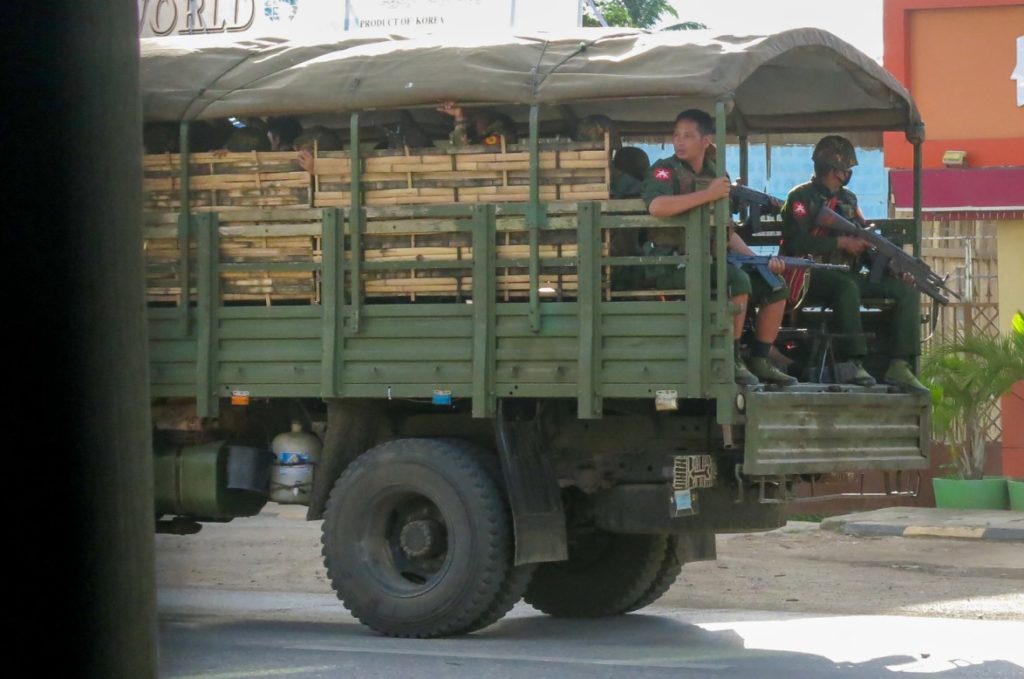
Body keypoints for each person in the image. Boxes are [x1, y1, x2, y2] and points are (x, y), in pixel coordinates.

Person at [642, 109, 795, 386]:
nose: (679, 141)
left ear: (706, 140)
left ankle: (760, 359)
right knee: (735, 280)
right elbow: (657, 206)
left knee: (775, 285)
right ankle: (731, 359)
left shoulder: (716, 172)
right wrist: (707, 195)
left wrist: (760, 261)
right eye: (676, 135)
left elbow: (726, 229)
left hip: (710, 259)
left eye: (688, 136)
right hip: (671, 262)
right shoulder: (664, 169)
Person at [779, 135, 926, 393]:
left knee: (905, 291)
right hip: (810, 276)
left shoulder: (849, 200)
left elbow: (863, 237)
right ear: (832, 170)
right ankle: (853, 361)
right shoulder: (800, 198)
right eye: (845, 169)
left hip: (847, 274)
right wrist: (839, 245)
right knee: (846, 286)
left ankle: (901, 364)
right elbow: (796, 241)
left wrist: (894, 268)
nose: (848, 174)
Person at [437, 101, 518, 147]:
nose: (470, 121)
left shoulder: (500, 129)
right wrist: (459, 118)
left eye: (470, 115)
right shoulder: (474, 133)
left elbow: (466, 154)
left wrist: (459, 117)